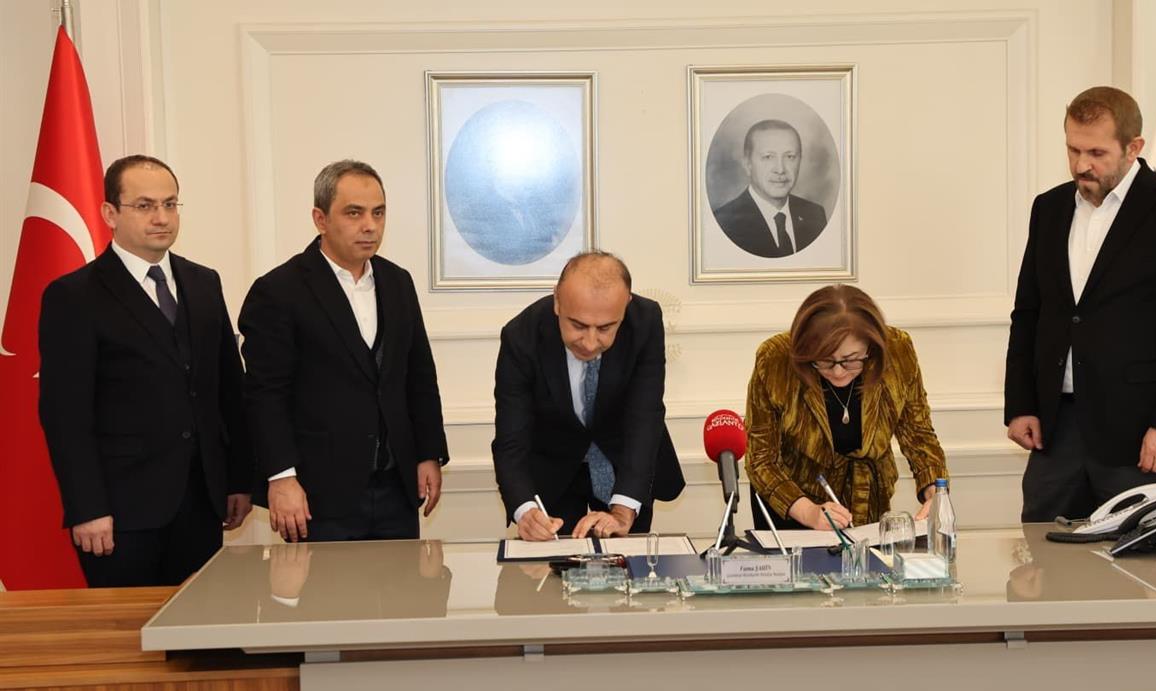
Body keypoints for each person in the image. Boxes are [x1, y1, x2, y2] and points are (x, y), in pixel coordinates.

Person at [1004, 86, 1156, 523]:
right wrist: (1021, 403)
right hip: (1056, 430)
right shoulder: (1048, 208)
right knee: (1043, 557)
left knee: (1140, 561)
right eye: (1073, 149)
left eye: (1097, 153)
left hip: (1140, 435)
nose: (1081, 165)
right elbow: (1029, 313)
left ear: (1133, 147)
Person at [38, 155, 251, 586]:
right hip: (119, 513)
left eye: (170, 204)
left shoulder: (204, 283)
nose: (161, 218)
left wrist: (238, 479)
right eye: (145, 205)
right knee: (127, 627)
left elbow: (229, 389)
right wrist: (87, 507)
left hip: (202, 501)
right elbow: (65, 415)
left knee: (200, 624)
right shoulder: (74, 296)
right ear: (110, 213)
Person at [239, 160, 449, 542]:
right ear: (320, 219)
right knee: (325, 586)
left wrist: (428, 453)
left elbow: (419, 376)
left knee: (403, 582)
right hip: (317, 496)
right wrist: (281, 477)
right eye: (354, 213)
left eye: (378, 213)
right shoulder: (279, 291)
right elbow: (265, 395)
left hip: (397, 490)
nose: (370, 225)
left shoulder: (398, 282)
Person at [492, 251, 684, 541]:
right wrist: (525, 510)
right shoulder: (522, 336)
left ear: (626, 305)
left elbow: (645, 417)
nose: (591, 342)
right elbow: (511, 437)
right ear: (557, 301)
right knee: (556, 564)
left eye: (606, 328)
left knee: (628, 563)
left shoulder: (645, 321)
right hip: (554, 470)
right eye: (578, 325)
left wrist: (623, 510)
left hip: (625, 465)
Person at [745, 284, 948, 530]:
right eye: (825, 361)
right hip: (794, 510)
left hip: (867, 507)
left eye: (851, 360)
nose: (839, 372)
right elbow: (761, 460)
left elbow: (919, 435)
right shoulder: (775, 360)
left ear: (871, 347)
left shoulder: (898, 352)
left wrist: (935, 494)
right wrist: (809, 512)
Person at [713, 118, 828, 258]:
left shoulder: (815, 215)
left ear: (800, 161)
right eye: (768, 157)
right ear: (747, 164)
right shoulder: (724, 222)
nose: (780, 169)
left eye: (790, 157)